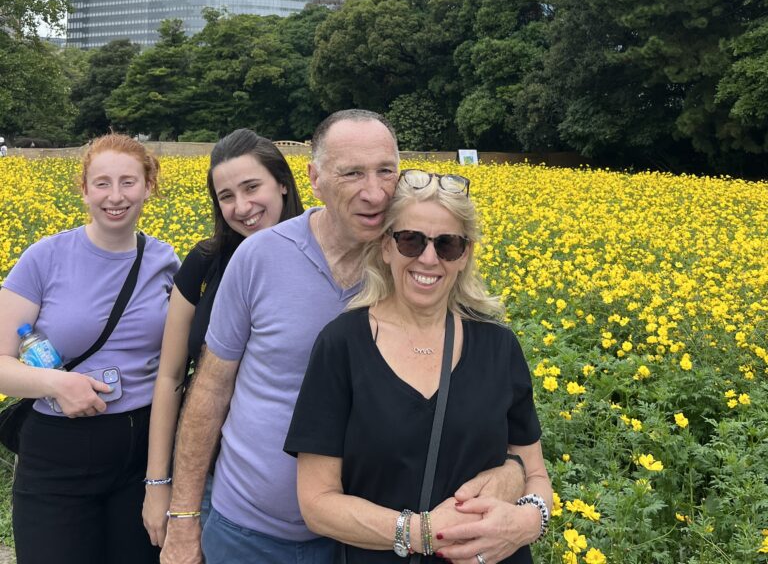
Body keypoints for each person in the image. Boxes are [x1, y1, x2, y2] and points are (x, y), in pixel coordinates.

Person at [161, 110, 526, 564]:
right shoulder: (259, 257)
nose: (373, 192)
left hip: (366, 541)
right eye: (351, 173)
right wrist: (182, 516)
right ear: (314, 178)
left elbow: (482, 402)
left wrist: (515, 476)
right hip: (251, 533)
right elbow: (210, 390)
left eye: (386, 171)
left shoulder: (416, 261)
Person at [285, 170, 553, 564]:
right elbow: (317, 503)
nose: (429, 258)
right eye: (410, 240)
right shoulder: (342, 345)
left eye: (447, 244)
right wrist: (423, 533)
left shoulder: (499, 347)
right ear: (386, 247)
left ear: (464, 256)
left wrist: (529, 523)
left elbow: (535, 474)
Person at [0, 133, 179, 564]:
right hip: (58, 453)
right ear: (83, 190)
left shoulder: (166, 262)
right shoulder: (44, 257)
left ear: (149, 187)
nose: (115, 196)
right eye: (102, 183)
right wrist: (55, 384)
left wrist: (159, 482)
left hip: (141, 455)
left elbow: (175, 365)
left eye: (128, 182)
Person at [143, 129, 304, 547]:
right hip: (215, 480)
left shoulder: (328, 255)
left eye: (252, 187)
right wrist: (160, 483)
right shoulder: (204, 261)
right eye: (226, 196)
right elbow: (170, 376)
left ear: (283, 183)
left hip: (310, 485)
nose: (242, 207)